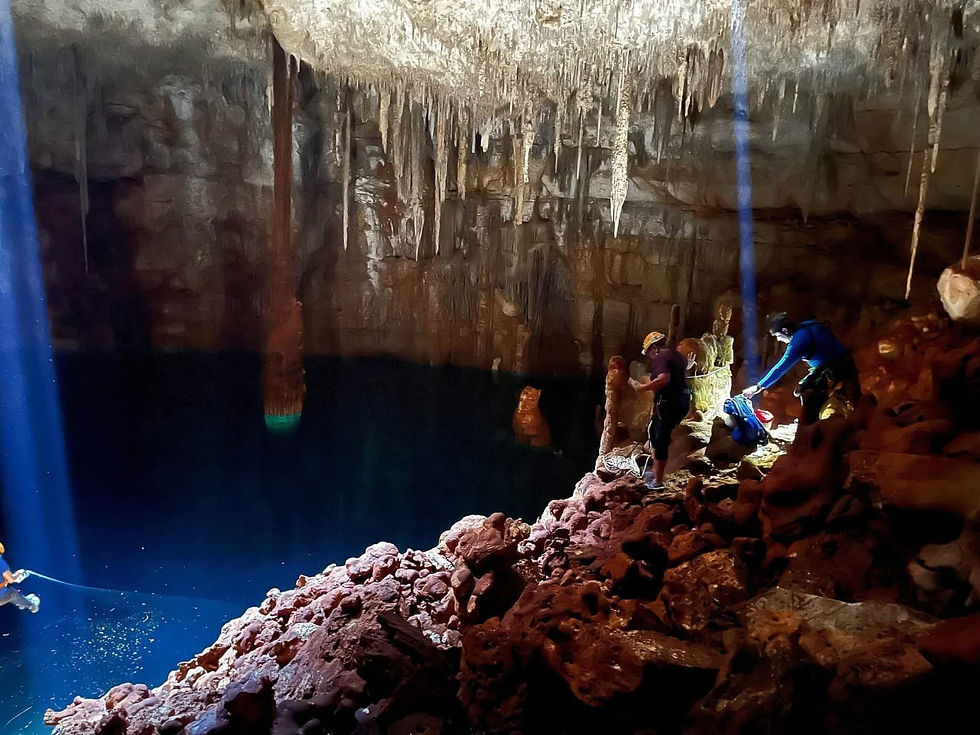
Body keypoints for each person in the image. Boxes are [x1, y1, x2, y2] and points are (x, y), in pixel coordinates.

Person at [742, 313, 860, 425]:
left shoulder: (799, 341)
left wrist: (758, 386)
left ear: (785, 331)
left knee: (806, 390)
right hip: (840, 362)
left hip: (835, 367)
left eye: (778, 336)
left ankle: (809, 423)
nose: (778, 340)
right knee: (804, 387)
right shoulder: (806, 326)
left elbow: (781, 367)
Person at [628, 330, 691, 491]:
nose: (649, 356)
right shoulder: (677, 356)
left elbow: (664, 379)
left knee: (660, 439)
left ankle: (657, 480)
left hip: (670, 404)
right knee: (657, 433)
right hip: (681, 402)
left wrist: (642, 387)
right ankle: (656, 472)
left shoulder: (661, 357)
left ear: (654, 348)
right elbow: (684, 369)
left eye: (649, 352)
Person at [0, 541, 40, 613]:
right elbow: (10, 580)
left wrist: (16, 575)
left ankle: (22, 601)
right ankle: (32, 606)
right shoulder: (1, 563)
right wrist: (20, 575)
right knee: (12, 593)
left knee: (11, 594)